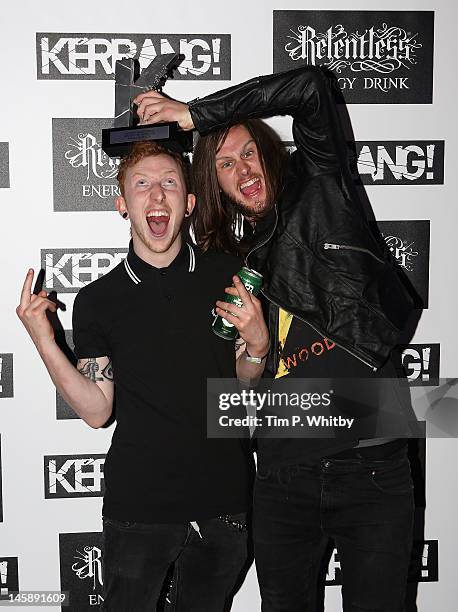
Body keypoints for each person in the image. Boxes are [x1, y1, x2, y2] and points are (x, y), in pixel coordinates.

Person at [134, 66, 417, 612]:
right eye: (224, 164)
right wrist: (256, 350)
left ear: (270, 150)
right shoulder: (230, 264)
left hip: (371, 462)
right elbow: (237, 400)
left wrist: (194, 115)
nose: (241, 169)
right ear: (212, 185)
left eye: (247, 152)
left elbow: (311, 86)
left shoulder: (323, 187)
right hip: (283, 476)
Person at [16, 140, 270, 612]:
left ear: (189, 203)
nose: (157, 196)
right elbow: (97, 411)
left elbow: (240, 385)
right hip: (139, 507)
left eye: (169, 184)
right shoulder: (98, 300)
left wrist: (257, 346)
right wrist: (43, 340)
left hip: (224, 503)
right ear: (122, 205)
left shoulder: (229, 275)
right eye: (142, 185)